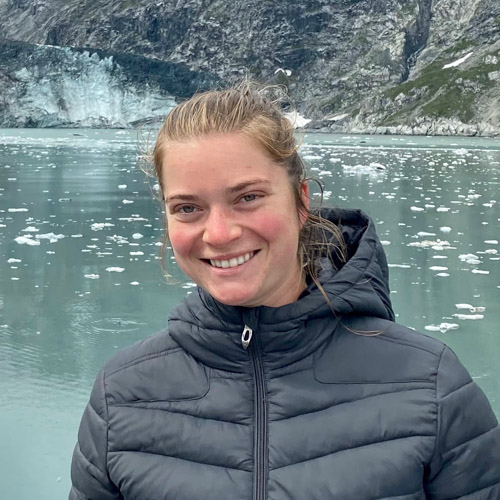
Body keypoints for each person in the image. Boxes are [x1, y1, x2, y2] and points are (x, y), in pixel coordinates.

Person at [69, 83, 500, 500]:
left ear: (301, 201)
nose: (218, 233)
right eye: (187, 208)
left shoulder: (431, 387)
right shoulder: (121, 397)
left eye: (248, 197)